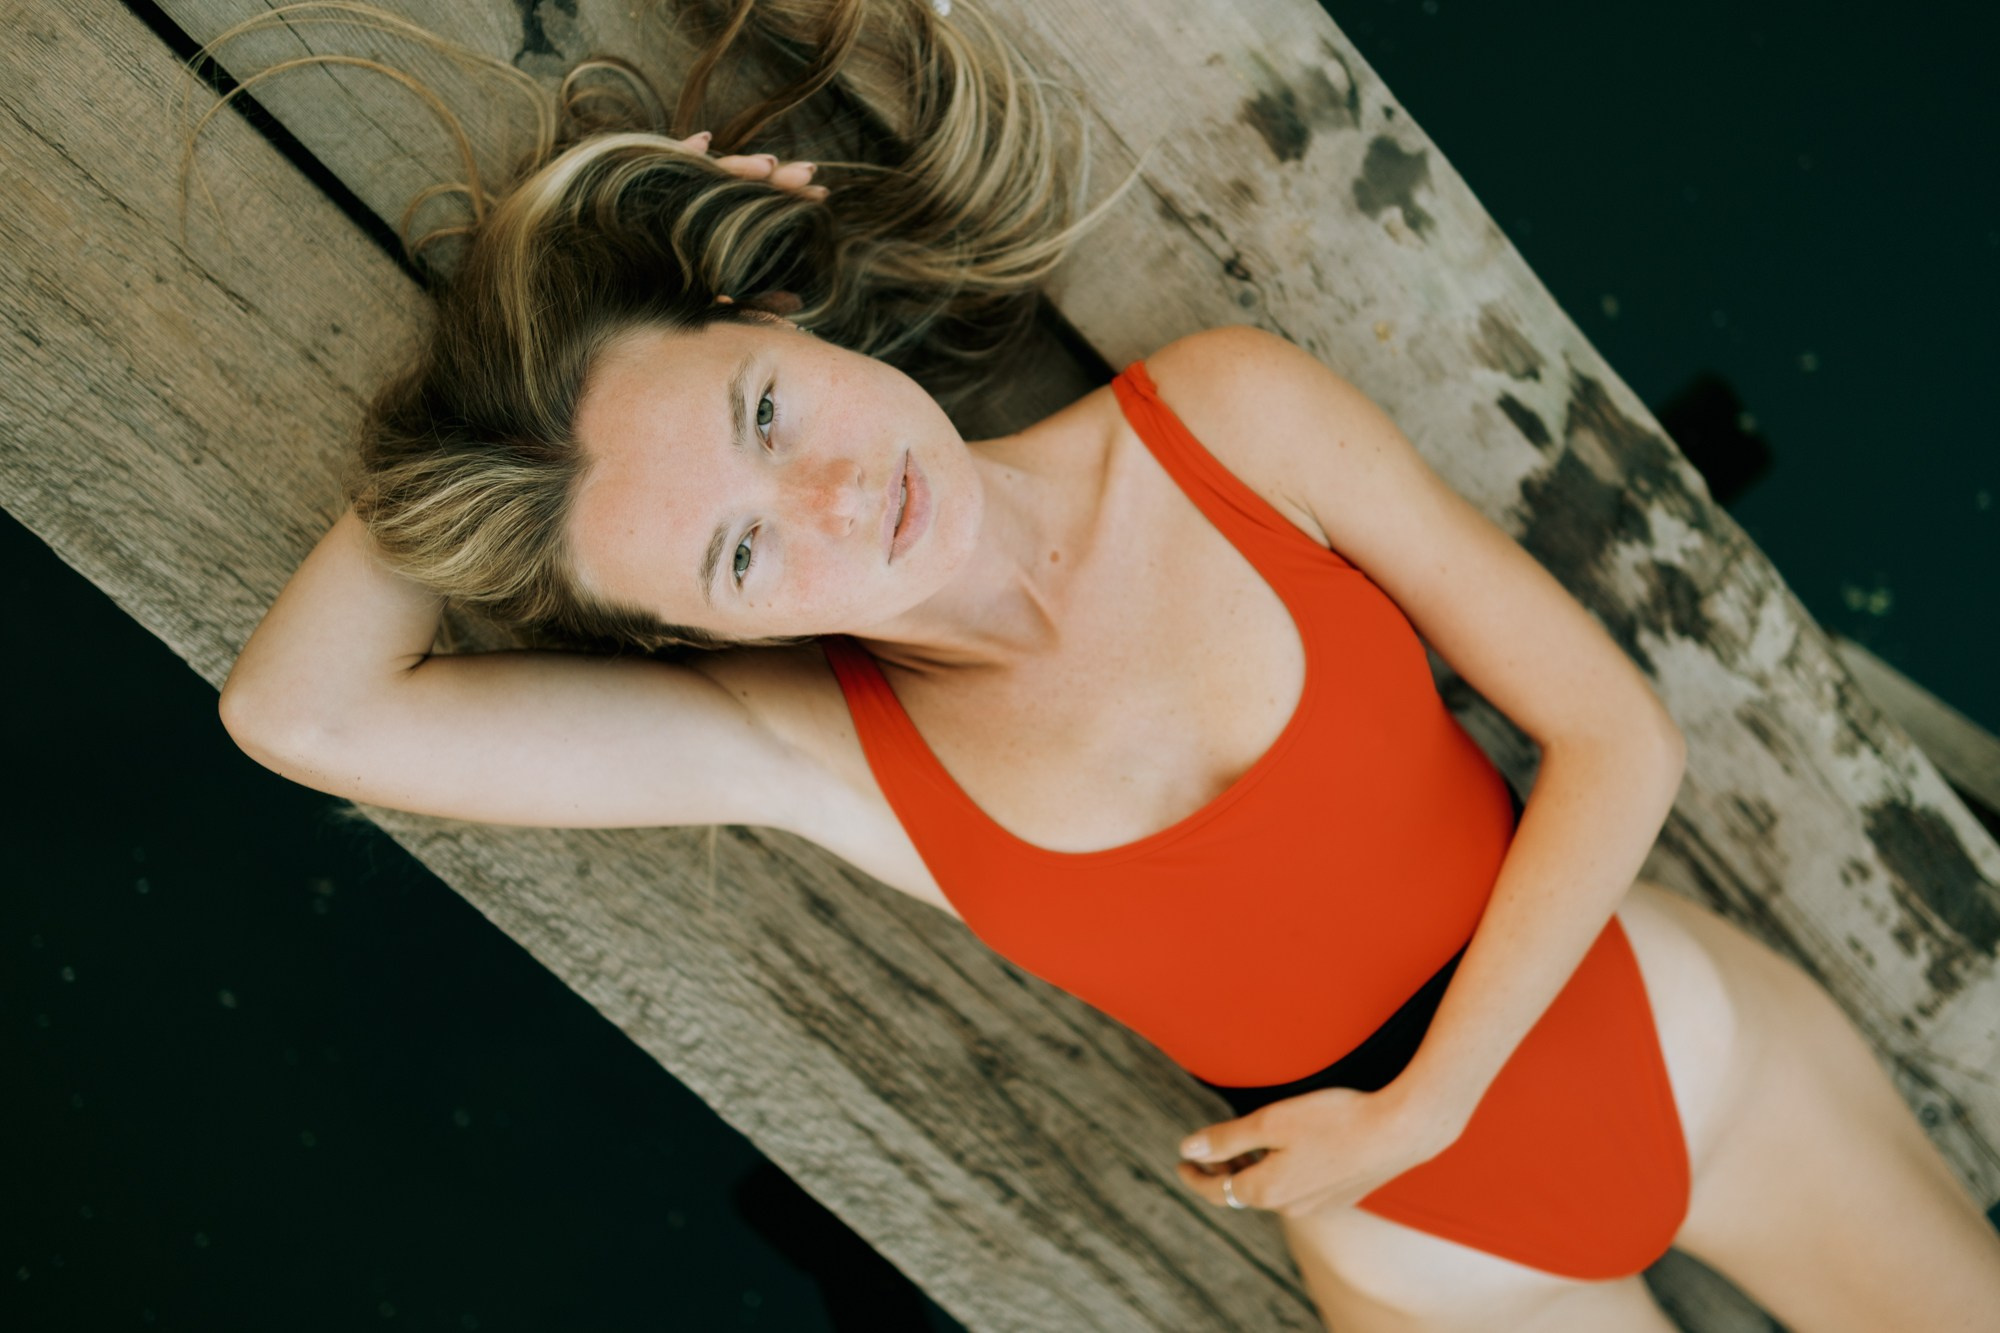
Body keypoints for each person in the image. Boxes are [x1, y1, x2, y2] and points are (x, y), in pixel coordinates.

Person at [204, 2, 2000, 1328]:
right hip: (1444, 1278)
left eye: (762, 409)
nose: (833, 495)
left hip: (1679, 1052)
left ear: (774, 307)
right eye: (740, 550)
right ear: (697, 634)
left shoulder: (1220, 419)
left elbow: (1617, 734)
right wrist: (477, 459)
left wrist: (1419, 1106)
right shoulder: (819, 758)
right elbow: (301, 715)